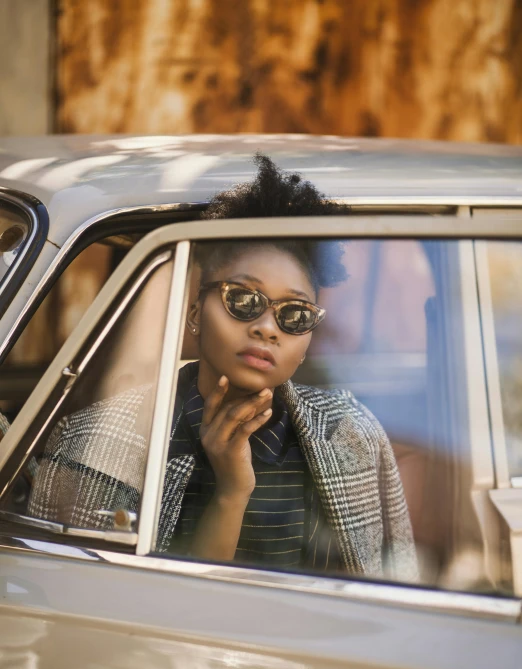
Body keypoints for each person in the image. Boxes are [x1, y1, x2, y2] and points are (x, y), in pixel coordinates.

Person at [29, 155, 418, 581]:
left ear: (307, 340)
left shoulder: (351, 434)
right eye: (244, 300)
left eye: (295, 314)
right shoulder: (99, 442)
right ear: (195, 312)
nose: (268, 328)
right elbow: (104, 608)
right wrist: (232, 492)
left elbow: (397, 584)